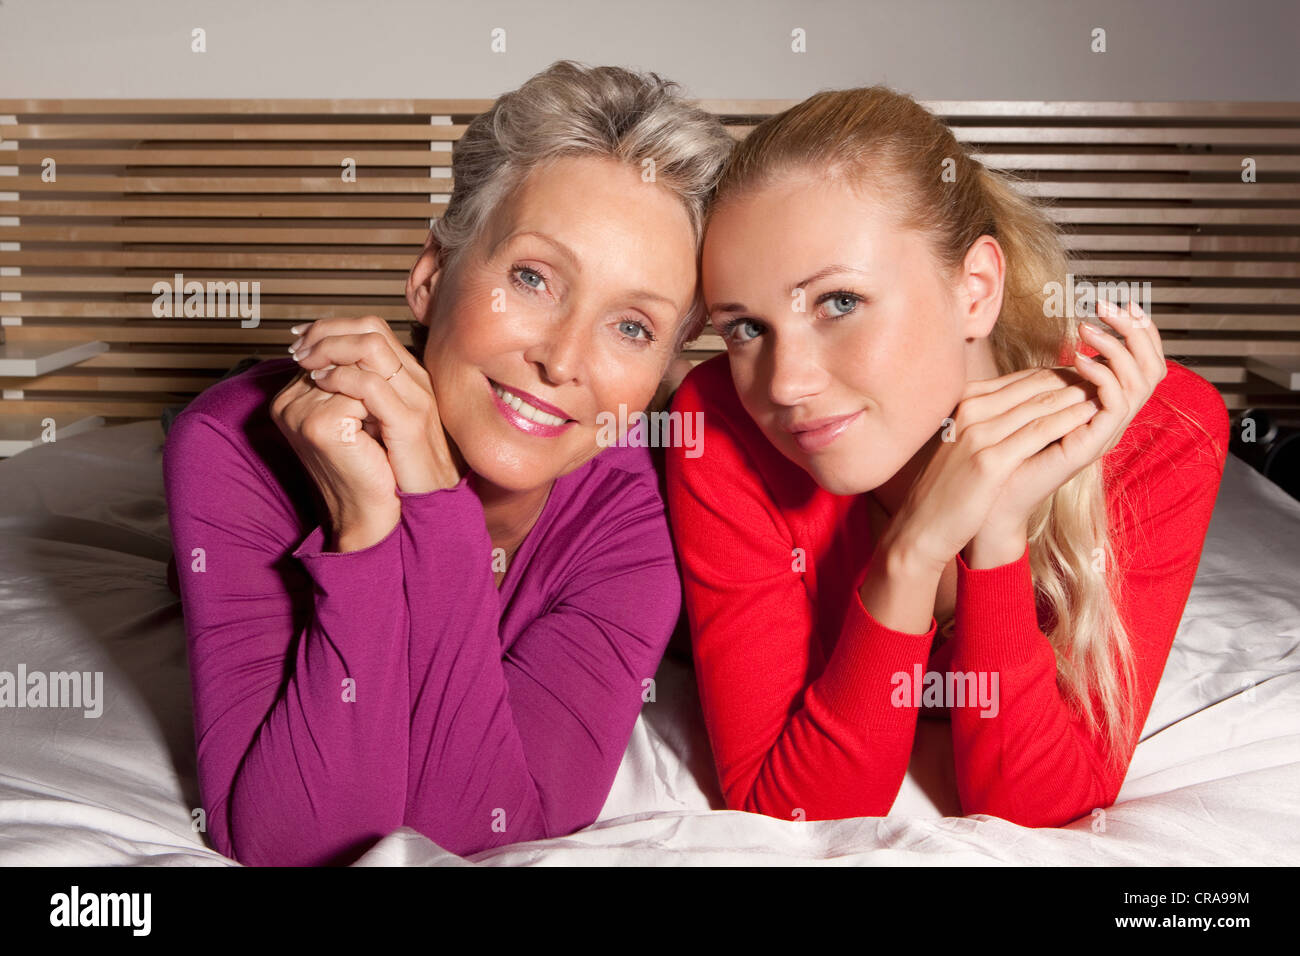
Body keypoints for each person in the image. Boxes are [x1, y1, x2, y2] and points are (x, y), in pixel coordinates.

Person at [162, 60, 732, 865]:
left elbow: (482, 833)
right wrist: (364, 531)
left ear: (664, 372)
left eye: (632, 327)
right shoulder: (229, 447)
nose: (564, 360)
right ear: (431, 277)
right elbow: (296, 845)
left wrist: (431, 504)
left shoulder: (632, 528)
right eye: (533, 278)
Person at [664, 86, 1229, 828]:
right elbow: (794, 810)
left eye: (838, 302)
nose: (786, 383)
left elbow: (1037, 810)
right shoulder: (719, 423)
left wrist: (997, 531)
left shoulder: (1160, 427)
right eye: (745, 329)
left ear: (975, 289)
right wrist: (916, 550)